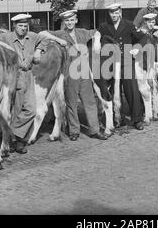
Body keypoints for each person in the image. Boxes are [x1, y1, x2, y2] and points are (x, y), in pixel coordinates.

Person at [0, 13, 66, 153]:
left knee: (30, 109)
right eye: (21, 26)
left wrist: (38, 50)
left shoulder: (33, 36)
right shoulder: (7, 37)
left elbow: (45, 39)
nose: (24, 28)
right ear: (14, 26)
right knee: (15, 108)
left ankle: (15, 134)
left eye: (25, 26)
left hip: (29, 75)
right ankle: (16, 142)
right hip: (14, 75)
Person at [40, 10, 108, 141]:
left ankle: (95, 130)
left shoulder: (82, 32)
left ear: (76, 20)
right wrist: (57, 39)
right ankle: (74, 131)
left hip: (84, 72)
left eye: (72, 20)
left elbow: (96, 31)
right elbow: (42, 33)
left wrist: (97, 41)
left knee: (90, 102)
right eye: (67, 21)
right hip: (69, 73)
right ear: (64, 22)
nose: (70, 23)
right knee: (71, 103)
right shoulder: (61, 33)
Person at [98, 3, 145, 130]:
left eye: (116, 12)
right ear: (109, 13)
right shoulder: (103, 26)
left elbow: (142, 37)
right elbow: (100, 41)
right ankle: (118, 118)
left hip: (126, 62)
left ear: (120, 12)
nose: (114, 15)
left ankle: (137, 120)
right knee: (114, 92)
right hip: (111, 63)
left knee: (132, 91)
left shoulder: (129, 24)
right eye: (112, 13)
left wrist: (137, 48)